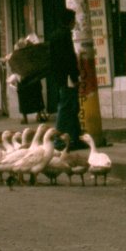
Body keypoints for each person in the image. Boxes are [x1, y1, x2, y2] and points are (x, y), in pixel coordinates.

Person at [47, 8, 83, 147]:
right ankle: (58, 139)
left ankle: (75, 138)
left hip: (59, 77)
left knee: (73, 107)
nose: (75, 23)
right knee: (66, 107)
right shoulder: (64, 36)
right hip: (66, 77)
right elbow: (69, 59)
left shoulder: (55, 35)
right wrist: (75, 77)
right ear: (70, 21)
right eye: (73, 20)